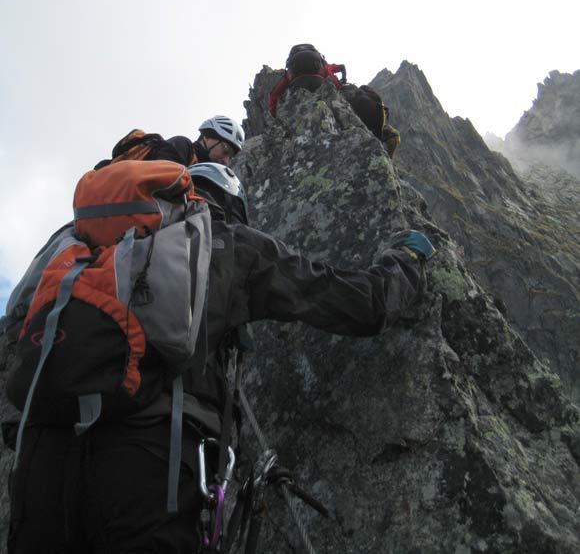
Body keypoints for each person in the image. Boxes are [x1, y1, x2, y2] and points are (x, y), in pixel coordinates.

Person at [6, 164, 434, 553]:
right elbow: (355, 303)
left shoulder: (81, 247)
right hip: (151, 463)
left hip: (43, 462)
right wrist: (406, 263)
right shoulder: (229, 240)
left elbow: (17, 330)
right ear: (231, 204)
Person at [93, 115, 245, 170]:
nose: (226, 160)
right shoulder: (183, 146)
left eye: (230, 157)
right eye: (225, 150)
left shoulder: (202, 168)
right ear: (208, 137)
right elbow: (162, 181)